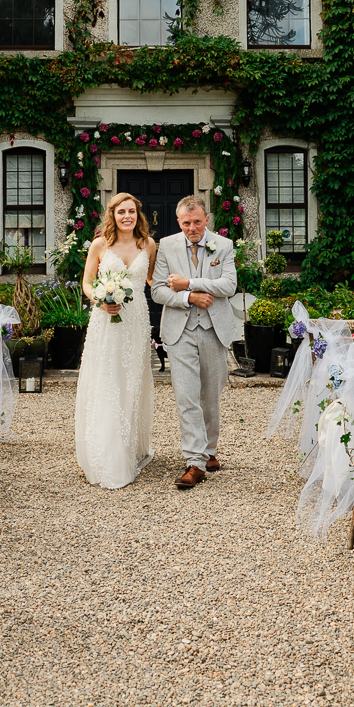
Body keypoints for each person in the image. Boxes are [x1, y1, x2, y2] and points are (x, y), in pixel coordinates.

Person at [151, 196, 239, 490]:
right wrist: (190, 298)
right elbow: (159, 292)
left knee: (210, 395)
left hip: (214, 329)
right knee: (187, 396)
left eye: (197, 222)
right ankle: (195, 462)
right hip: (179, 330)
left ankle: (209, 450)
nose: (192, 228)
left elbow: (229, 285)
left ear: (207, 220)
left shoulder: (223, 246)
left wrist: (189, 283)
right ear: (179, 222)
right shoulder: (166, 245)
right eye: (186, 223)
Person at [76, 192, 159, 489]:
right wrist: (99, 298)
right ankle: (106, 452)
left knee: (131, 380)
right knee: (107, 380)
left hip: (136, 320)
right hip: (106, 321)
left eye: (132, 212)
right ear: (112, 215)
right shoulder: (100, 245)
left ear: (139, 215)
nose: (127, 217)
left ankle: (128, 445)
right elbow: (87, 282)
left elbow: (151, 281)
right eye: (122, 212)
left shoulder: (147, 245)